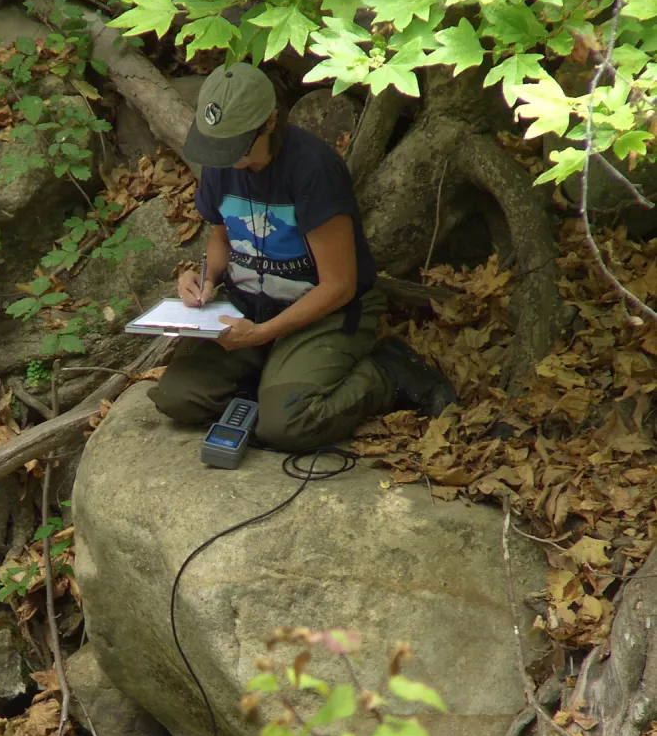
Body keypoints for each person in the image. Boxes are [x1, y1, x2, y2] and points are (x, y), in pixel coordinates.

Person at [149, 63, 455, 451]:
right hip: (248, 305)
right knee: (178, 398)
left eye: (234, 147)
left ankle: (386, 373)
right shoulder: (221, 165)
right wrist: (206, 278)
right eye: (217, 147)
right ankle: (274, 376)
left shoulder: (313, 170)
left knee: (287, 426)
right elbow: (221, 237)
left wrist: (261, 335)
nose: (225, 159)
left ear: (270, 121)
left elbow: (339, 285)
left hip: (322, 312)